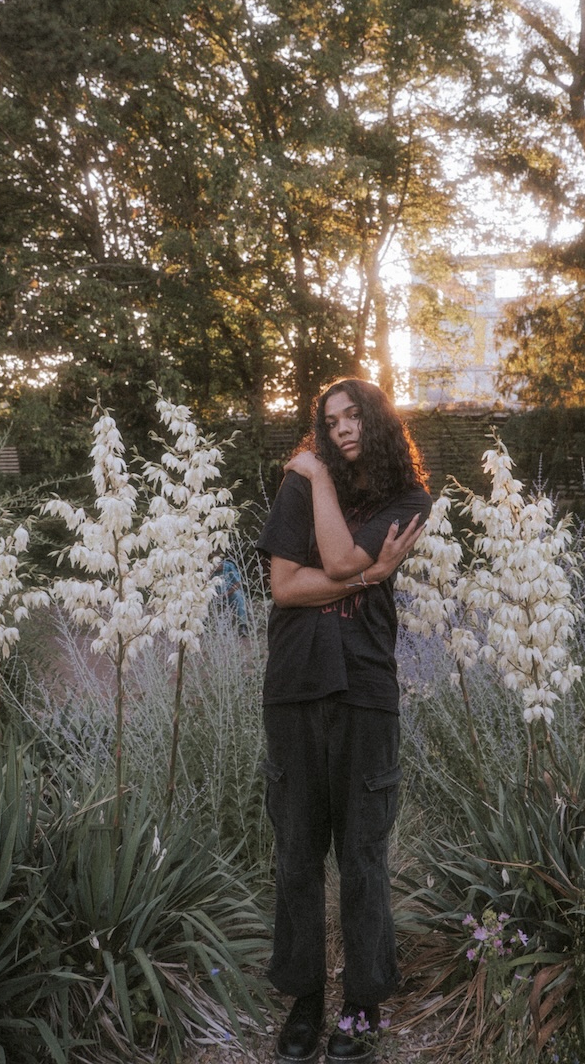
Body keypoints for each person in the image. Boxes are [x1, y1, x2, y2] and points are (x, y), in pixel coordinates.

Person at [256, 377, 432, 1064]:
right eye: (329, 423)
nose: (341, 430)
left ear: (377, 420)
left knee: (362, 855)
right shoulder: (297, 487)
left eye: (353, 416)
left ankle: (362, 1003)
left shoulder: (408, 499)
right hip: (295, 684)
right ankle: (303, 1001)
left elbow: (329, 562)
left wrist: (317, 479)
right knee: (298, 852)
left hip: (364, 689)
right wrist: (369, 576)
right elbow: (286, 586)